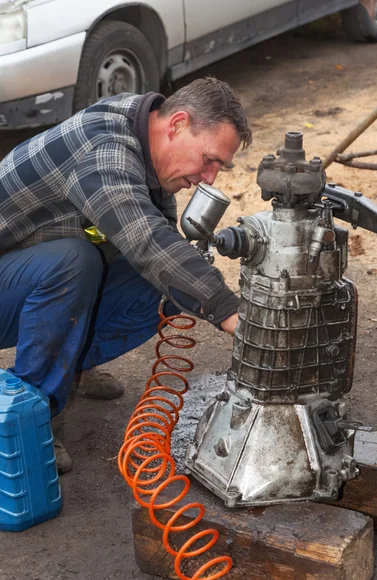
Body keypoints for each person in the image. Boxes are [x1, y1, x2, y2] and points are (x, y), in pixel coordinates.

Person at [0, 77, 252, 473]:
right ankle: (29, 415)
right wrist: (227, 310)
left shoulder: (146, 141)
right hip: (11, 281)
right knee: (74, 259)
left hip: (23, 277)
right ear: (177, 124)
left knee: (161, 283)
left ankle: (71, 368)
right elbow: (146, 240)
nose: (210, 178)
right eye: (209, 159)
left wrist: (197, 281)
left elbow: (161, 250)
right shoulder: (104, 149)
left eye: (219, 165)